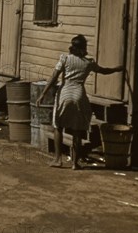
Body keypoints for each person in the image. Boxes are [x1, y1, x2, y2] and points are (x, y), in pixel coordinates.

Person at [37, 35, 123, 170]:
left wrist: (43, 93)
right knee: (77, 130)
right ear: (83, 47)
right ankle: (75, 163)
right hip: (79, 94)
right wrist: (117, 69)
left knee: (58, 126)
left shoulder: (65, 59)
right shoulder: (88, 63)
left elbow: (54, 76)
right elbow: (103, 71)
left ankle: (57, 159)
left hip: (65, 93)